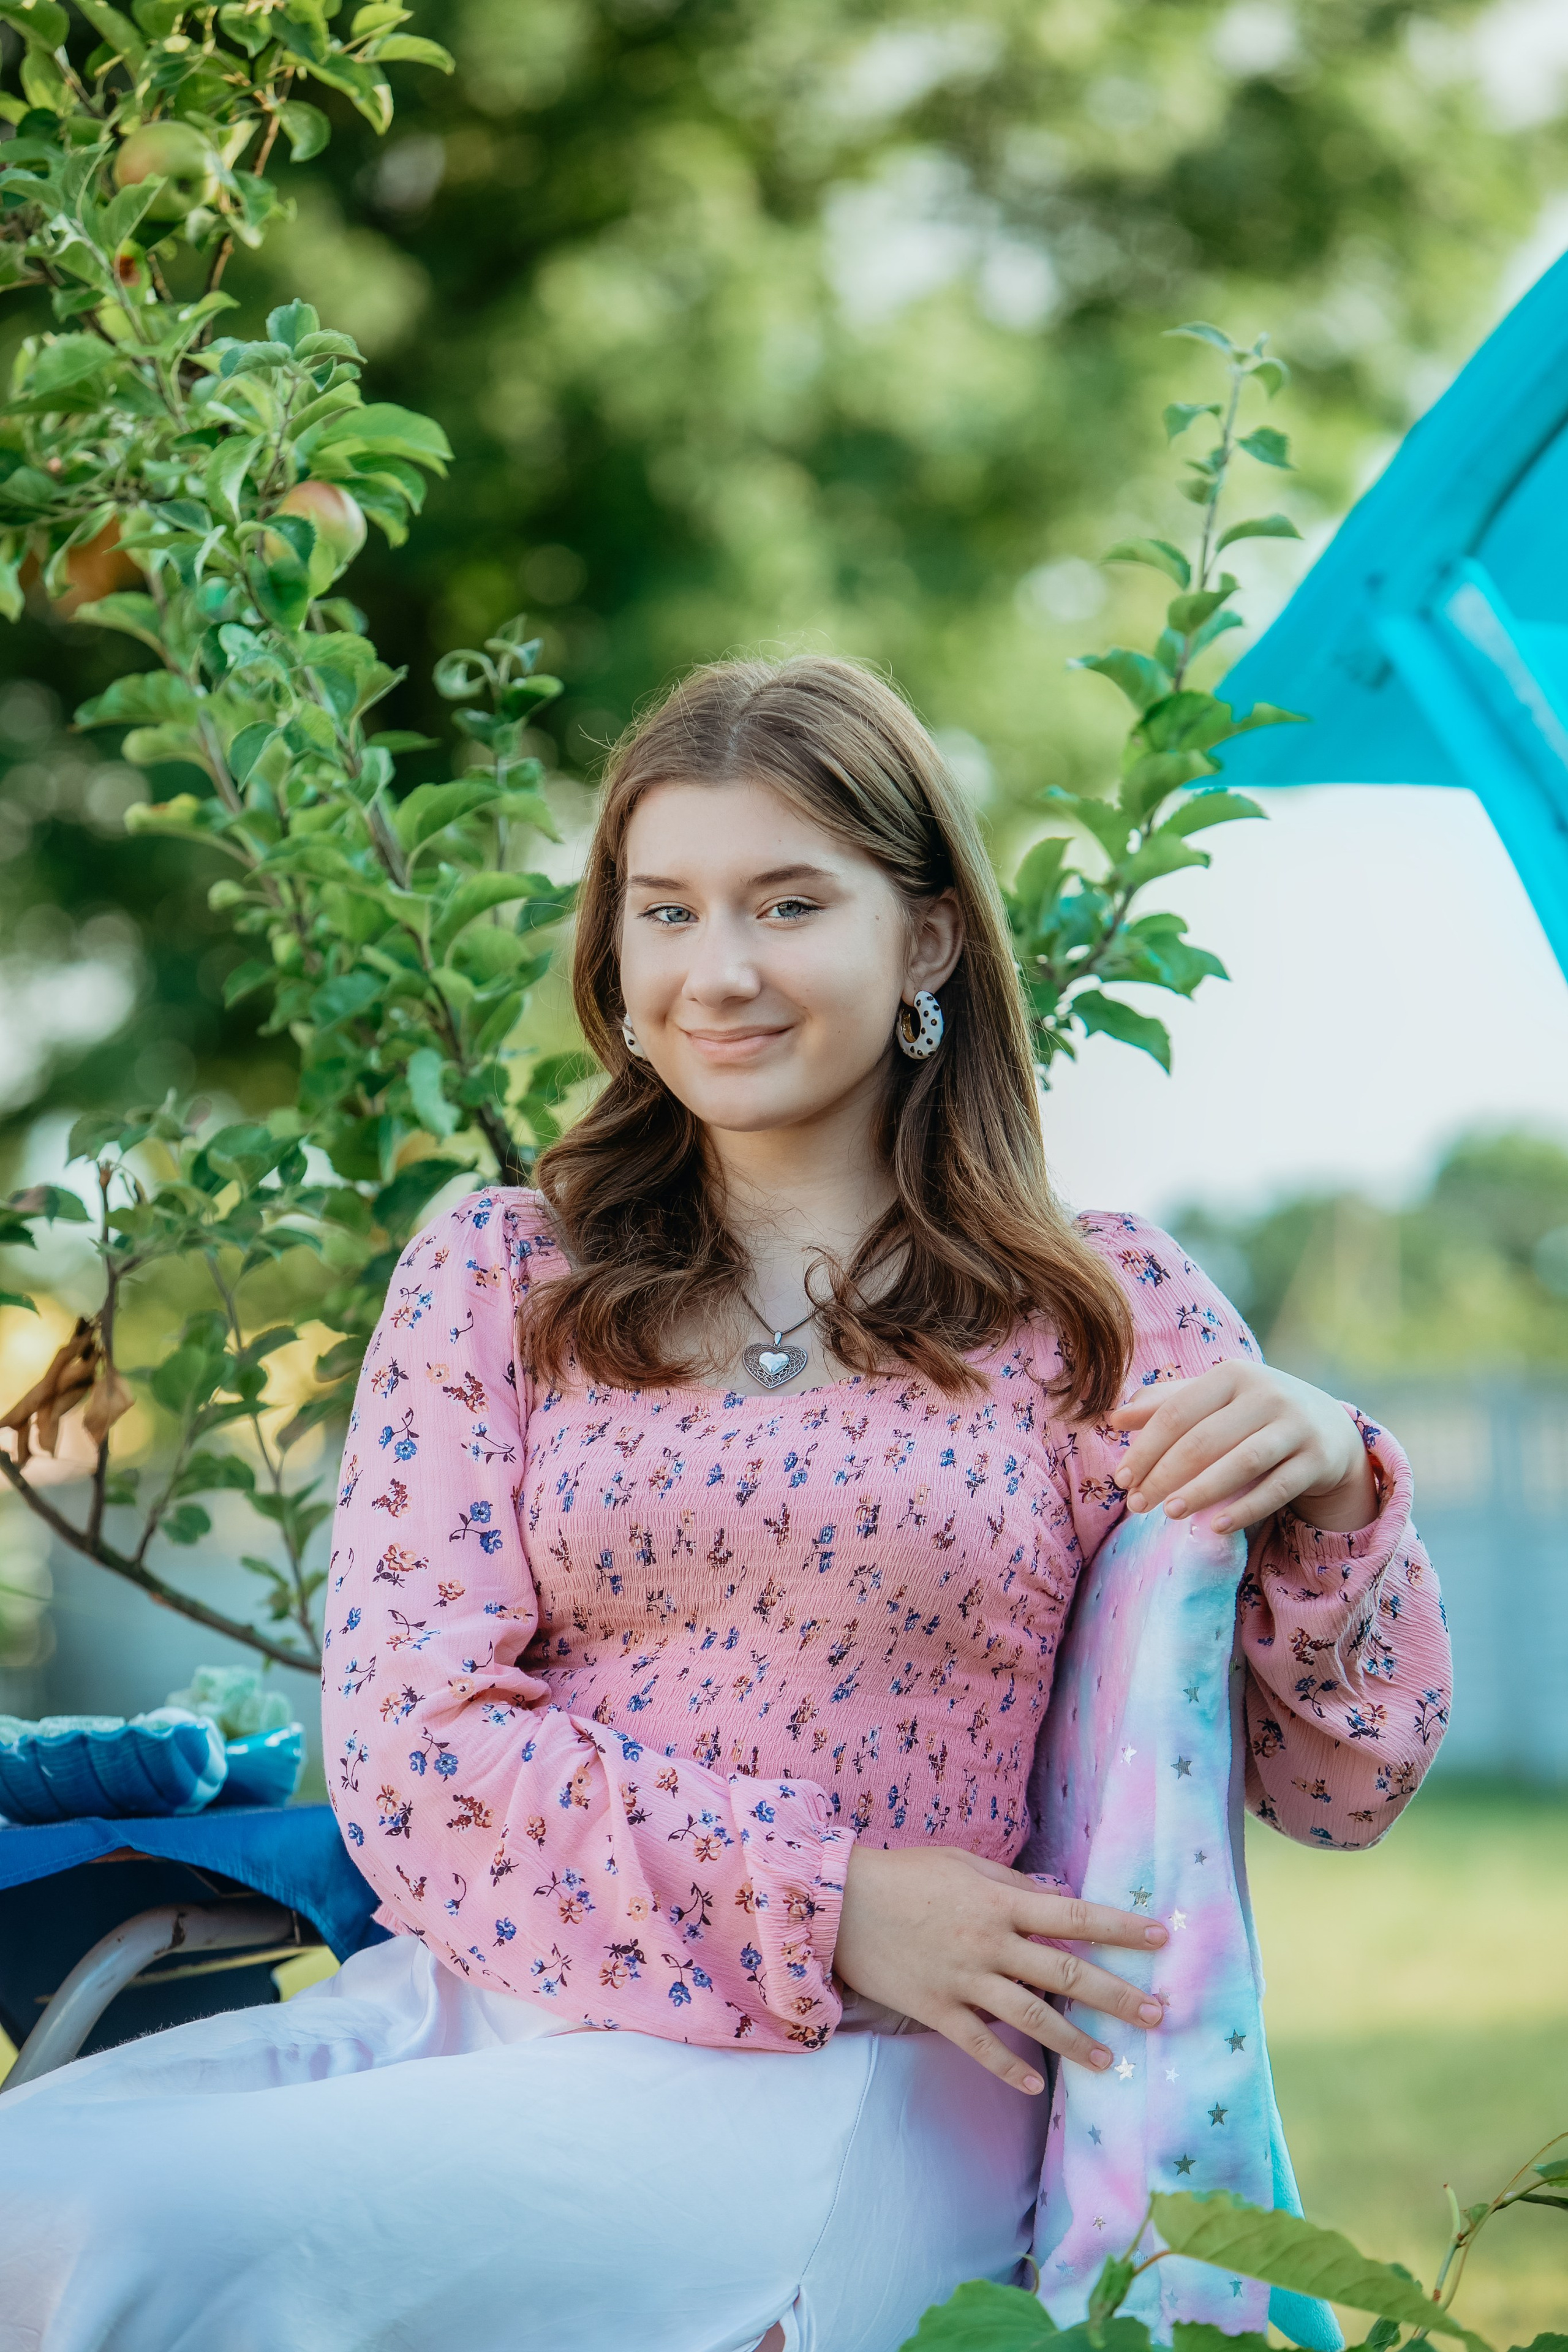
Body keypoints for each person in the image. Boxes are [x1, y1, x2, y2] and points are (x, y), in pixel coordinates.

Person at [0, 655, 1450, 2352]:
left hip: (864, 2085)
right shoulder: (501, 1274)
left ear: (927, 938)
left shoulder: (1094, 1314)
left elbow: (1340, 1788)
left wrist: (1335, 1489)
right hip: (485, 2012)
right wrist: (828, 1898)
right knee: (32, 2204)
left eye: (788, 904)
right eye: (667, 911)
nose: (721, 970)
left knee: (146, 2241)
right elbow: (411, 1751)